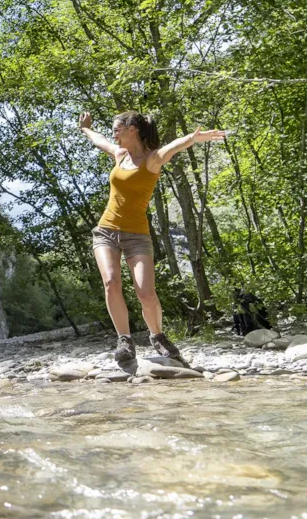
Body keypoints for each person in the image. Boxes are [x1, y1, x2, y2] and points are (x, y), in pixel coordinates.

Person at [79, 110, 225, 365]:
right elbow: (99, 140)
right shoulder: (120, 154)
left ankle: (157, 336)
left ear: (132, 129)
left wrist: (193, 137)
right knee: (112, 282)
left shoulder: (151, 160)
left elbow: (172, 147)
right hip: (106, 231)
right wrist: (85, 129)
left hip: (137, 235)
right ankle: (124, 340)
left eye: (117, 129)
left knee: (146, 293)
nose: (114, 134)